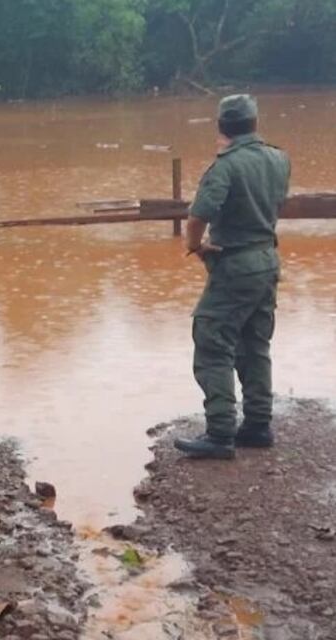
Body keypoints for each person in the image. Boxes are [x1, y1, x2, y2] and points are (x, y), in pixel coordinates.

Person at [174, 94, 291, 460]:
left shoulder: (225, 166)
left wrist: (195, 245)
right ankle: (257, 425)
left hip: (235, 264)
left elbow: (199, 215)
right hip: (267, 259)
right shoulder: (279, 159)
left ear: (222, 126)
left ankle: (220, 433)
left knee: (212, 339)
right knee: (255, 343)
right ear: (254, 123)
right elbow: (277, 201)